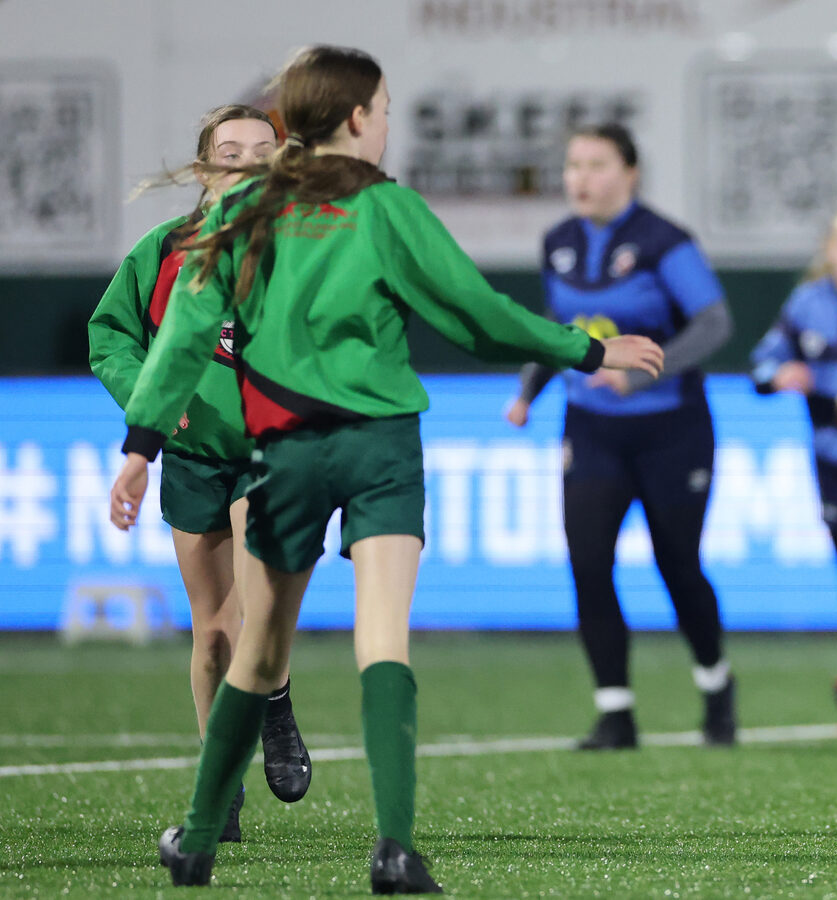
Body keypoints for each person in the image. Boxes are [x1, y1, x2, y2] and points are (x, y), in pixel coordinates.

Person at [107, 46, 663, 893]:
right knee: (382, 640)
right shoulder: (385, 206)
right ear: (359, 117)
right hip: (380, 450)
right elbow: (477, 317)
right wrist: (587, 352)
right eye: (387, 109)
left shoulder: (247, 208)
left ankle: (198, 841)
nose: (387, 123)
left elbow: (184, 334)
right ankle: (395, 848)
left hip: (283, 453)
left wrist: (141, 445)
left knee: (257, 649)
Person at [88, 104, 312, 843]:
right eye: (229, 152)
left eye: (262, 152)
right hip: (194, 456)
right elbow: (110, 336)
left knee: (254, 612)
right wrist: (151, 408)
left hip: (271, 455)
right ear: (204, 167)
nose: (246, 165)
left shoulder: (304, 251)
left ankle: (274, 701)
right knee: (213, 635)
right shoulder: (164, 251)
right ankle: (222, 786)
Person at [504, 123, 735, 751]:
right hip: (591, 430)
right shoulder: (558, 242)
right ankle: (615, 713)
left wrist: (637, 378)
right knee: (588, 563)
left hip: (671, 430)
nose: (581, 178)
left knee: (678, 565)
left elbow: (714, 323)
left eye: (597, 164)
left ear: (630, 173)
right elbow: (558, 328)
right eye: (573, 165)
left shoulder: (664, 242)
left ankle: (716, 687)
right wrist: (529, 391)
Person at [749, 203, 837, 732]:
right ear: (830, 251)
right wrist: (778, 372)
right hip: (832, 459)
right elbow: (762, 362)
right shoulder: (808, 303)